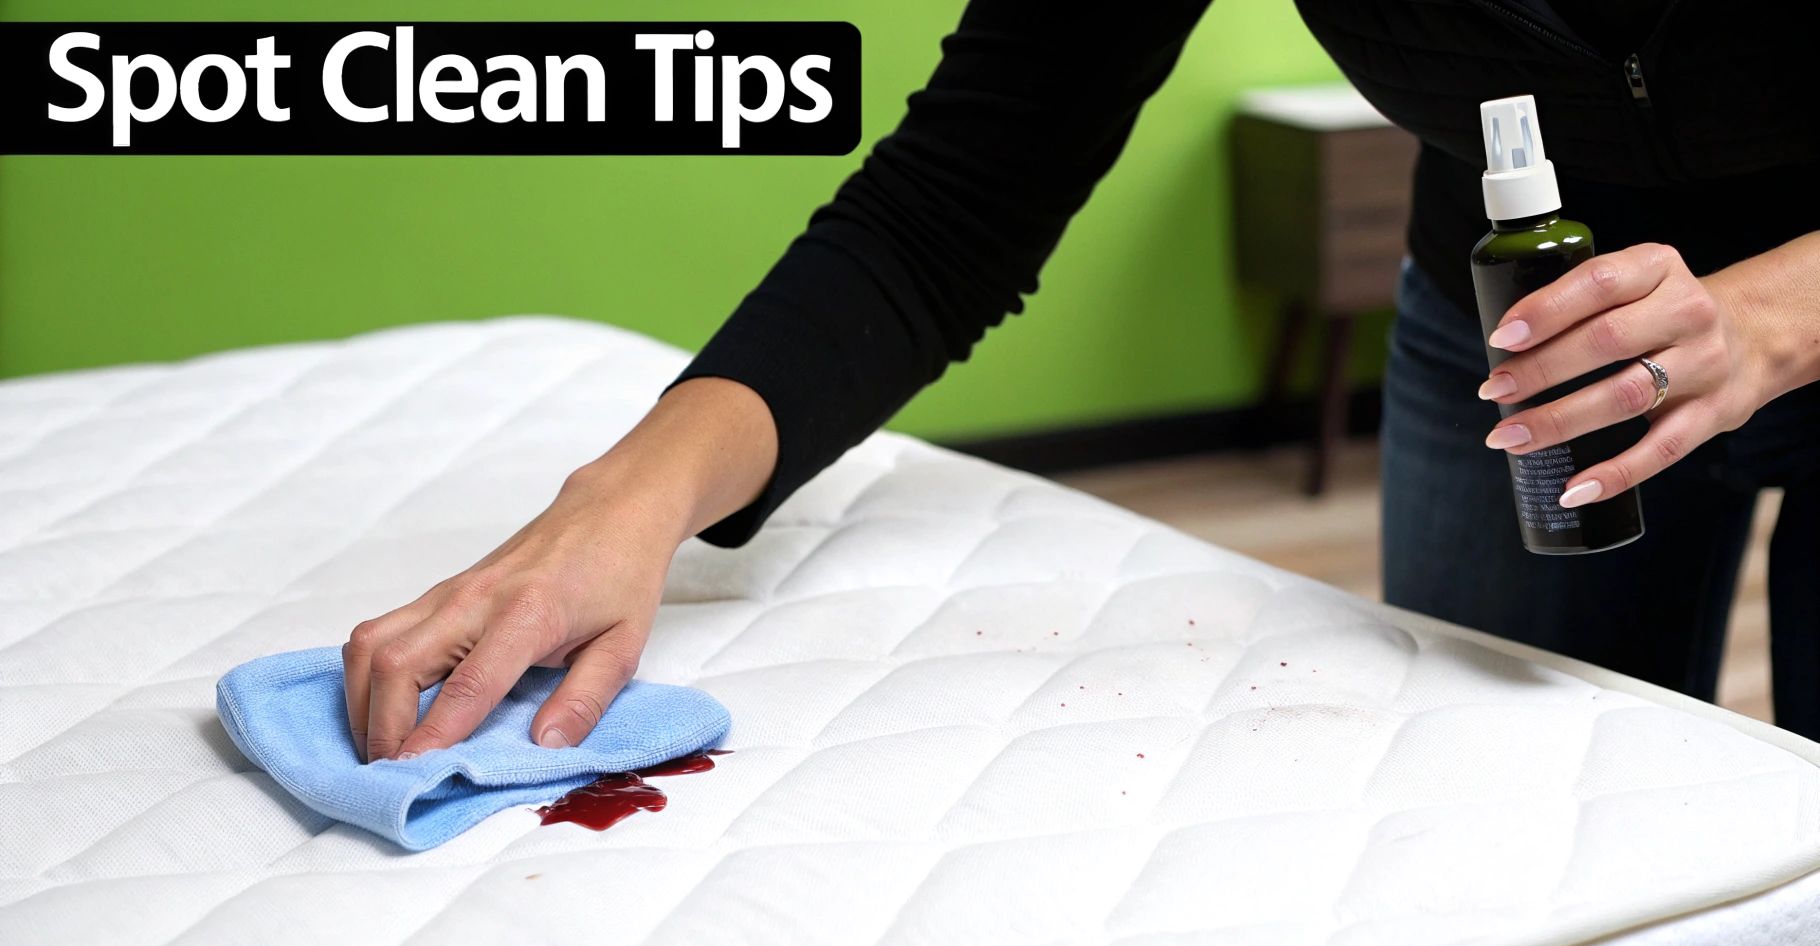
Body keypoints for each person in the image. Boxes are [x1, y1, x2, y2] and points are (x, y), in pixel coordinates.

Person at [339, 1, 1820, 759]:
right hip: (1523, 335)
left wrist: (1767, 319)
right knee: (1515, 802)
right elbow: (952, 207)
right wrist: (627, 498)